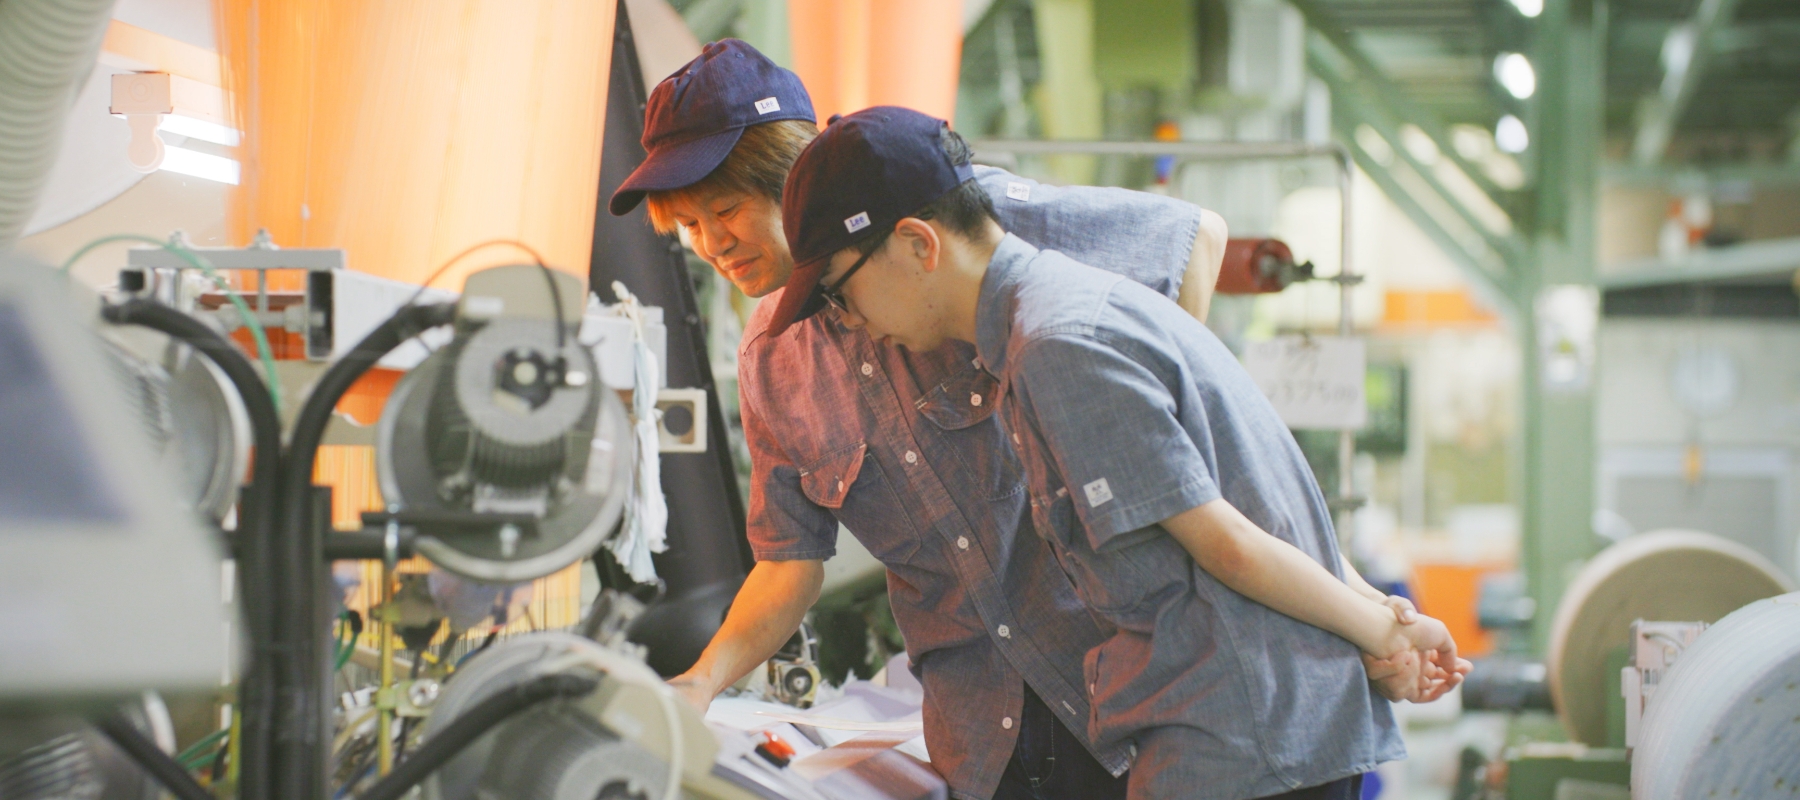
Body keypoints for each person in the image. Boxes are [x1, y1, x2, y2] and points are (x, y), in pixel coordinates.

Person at [609, 39, 1441, 800]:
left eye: (723, 214)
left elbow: (1190, 240)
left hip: (1126, 693)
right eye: (686, 229)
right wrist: (703, 682)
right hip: (985, 729)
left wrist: (1146, 439)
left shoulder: (980, 242)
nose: (710, 244)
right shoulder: (774, 361)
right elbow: (788, 560)